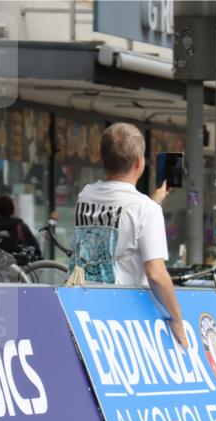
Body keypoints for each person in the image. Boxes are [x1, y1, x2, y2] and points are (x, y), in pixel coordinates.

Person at [70, 122, 188, 348]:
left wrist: (152, 202)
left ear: (102, 158)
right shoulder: (145, 210)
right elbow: (156, 275)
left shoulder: (85, 195)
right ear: (139, 162)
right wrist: (177, 318)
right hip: (119, 317)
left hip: (81, 304)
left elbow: (117, 222)